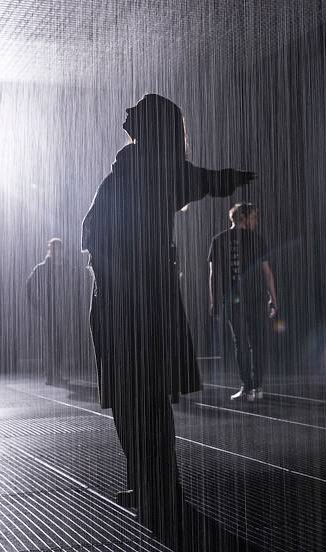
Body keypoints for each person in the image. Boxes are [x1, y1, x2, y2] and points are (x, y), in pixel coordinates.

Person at [82, 94, 255, 549]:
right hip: (145, 300)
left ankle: (152, 486)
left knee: (132, 399)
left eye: (135, 109)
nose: (125, 113)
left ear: (149, 123)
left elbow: (93, 231)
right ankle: (155, 486)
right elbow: (202, 181)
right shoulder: (153, 168)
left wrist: (110, 270)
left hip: (126, 303)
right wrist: (229, 179)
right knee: (146, 398)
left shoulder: (139, 167)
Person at [208, 203, 278, 401]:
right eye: (254, 217)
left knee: (241, 343)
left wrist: (214, 302)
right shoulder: (256, 240)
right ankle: (257, 388)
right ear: (243, 218)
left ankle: (247, 387)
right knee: (257, 342)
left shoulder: (218, 240)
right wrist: (273, 299)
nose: (255, 222)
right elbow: (267, 272)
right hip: (256, 297)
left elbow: (213, 276)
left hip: (232, 300)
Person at [26, 238, 88, 385]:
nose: (58, 252)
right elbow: (29, 287)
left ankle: (56, 374)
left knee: (59, 343)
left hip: (63, 311)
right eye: (55, 249)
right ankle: (50, 375)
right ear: (50, 250)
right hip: (49, 312)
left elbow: (75, 284)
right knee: (51, 343)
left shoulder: (67, 267)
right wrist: (39, 306)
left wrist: (73, 303)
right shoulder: (43, 268)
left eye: (60, 249)